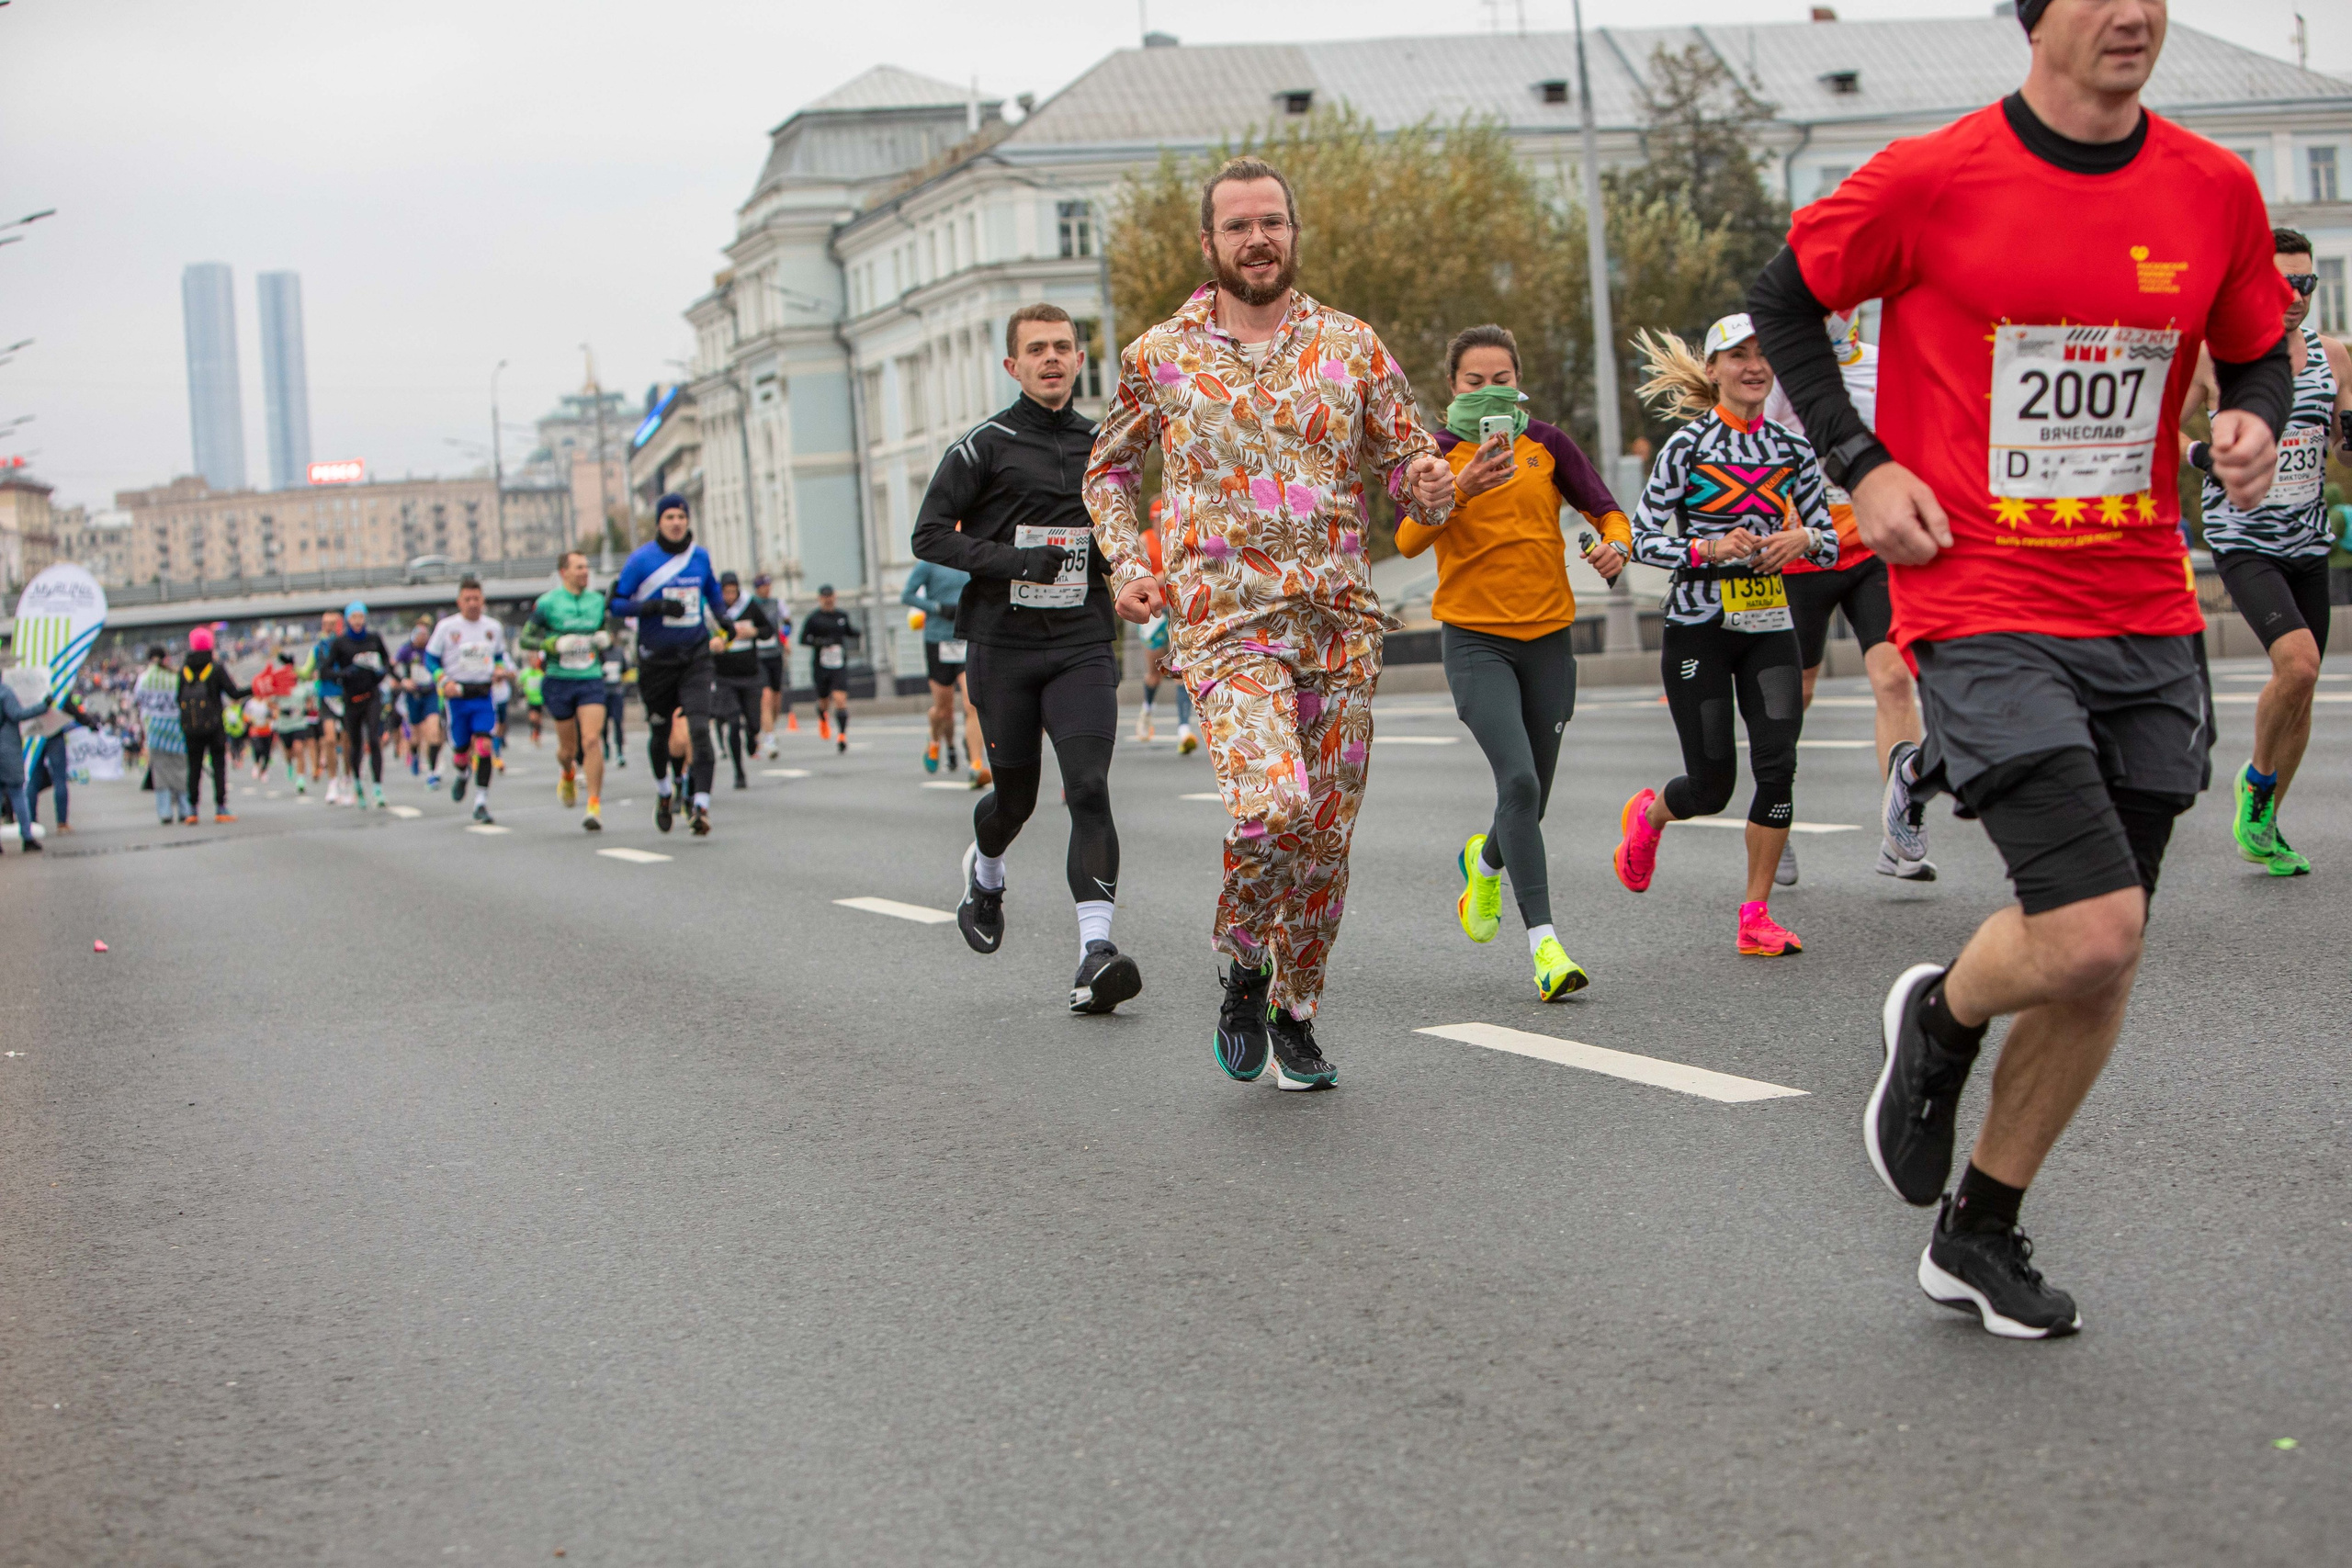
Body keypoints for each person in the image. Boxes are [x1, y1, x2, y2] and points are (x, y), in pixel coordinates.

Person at [1749, 0, 2290, 1337]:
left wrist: (2250, 416)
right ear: (2037, 17)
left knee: (2105, 961)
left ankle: (1976, 1229)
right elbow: (1784, 301)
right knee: (2095, 919)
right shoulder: (1933, 179)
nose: (2136, 15)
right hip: (1981, 593)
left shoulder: (2213, 187)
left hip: (2146, 605)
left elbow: (2264, 343)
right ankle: (1938, 1014)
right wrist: (1861, 465)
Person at [1086, 158, 1458, 1083]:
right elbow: (1108, 472)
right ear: (1208, 244)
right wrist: (1132, 567)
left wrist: (1426, 478)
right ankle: (1244, 962)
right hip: (1225, 625)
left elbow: (1406, 453)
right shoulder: (1158, 356)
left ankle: (1296, 1012)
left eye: (1272, 223)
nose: (1258, 239)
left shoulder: (1352, 345)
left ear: (1293, 233)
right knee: (1272, 810)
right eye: (1238, 226)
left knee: (1325, 842)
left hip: (1337, 625)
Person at [913, 303, 1143, 1017]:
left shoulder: (1105, 446)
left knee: (1089, 789)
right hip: (1003, 648)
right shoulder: (984, 445)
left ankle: (1094, 953)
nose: (1051, 358)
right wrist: (1016, 560)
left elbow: (1117, 533)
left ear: (1080, 362)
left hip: (1080, 643)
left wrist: (1128, 576)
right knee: (1015, 800)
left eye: (1064, 348)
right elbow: (928, 536)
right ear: (1012, 366)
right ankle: (985, 872)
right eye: (1036, 349)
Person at [1397, 322, 1632, 1000]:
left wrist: (1616, 545)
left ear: (1518, 381)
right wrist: (1459, 486)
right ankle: (1547, 948)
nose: (1490, 390)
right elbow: (1409, 538)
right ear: (1453, 388)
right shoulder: (1435, 455)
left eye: (1502, 378)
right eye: (1476, 381)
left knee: (1530, 798)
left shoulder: (1548, 445)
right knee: (1520, 783)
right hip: (1477, 644)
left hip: (1550, 640)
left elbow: (1607, 510)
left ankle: (1485, 858)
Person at [1612, 316, 1838, 956]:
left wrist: (1802, 539)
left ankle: (1755, 915)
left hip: (1770, 627)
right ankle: (1651, 815)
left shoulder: (1793, 451)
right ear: (1713, 371)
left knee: (1779, 766)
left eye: (1763, 354)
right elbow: (1640, 538)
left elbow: (1831, 541)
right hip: (1698, 630)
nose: (1754, 365)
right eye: (1738, 355)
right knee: (1712, 787)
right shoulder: (1686, 447)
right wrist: (1708, 546)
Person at [2179, 227, 2352, 876]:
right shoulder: (2216, 355)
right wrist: (2202, 456)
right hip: (2244, 540)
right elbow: (2158, 428)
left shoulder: (2334, 356)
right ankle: (2255, 783)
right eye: (2283, 283)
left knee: (2303, 689)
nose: (2296, 295)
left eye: (2306, 283)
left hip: (2308, 542)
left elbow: (2341, 442)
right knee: (2300, 664)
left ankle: (2266, 818)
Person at [1762, 314, 1936, 886]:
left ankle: (1901, 827)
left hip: (1868, 548)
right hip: (1800, 555)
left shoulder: (1886, 365)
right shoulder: (1787, 369)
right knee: (1799, 692)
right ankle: (1774, 819)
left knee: (1893, 678)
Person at [609, 493, 729, 836]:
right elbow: (617, 606)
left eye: (681, 516)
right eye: (669, 517)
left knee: (698, 730)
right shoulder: (641, 560)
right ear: (659, 522)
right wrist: (654, 607)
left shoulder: (700, 558)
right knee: (661, 735)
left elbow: (713, 594)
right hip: (656, 662)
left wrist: (724, 620)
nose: (676, 522)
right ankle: (665, 792)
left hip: (694, 657)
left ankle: (701, 805)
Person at [519, 549, 615, 830]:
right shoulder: (547, 604)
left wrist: (603, 638)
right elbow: (526, 639)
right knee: (568, 749)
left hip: (590, 678)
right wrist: (551, 645)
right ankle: (567, 771)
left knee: (592, 740)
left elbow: (604, 630)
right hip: (559, 679)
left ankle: (594, 806)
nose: (585, 572)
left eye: (587, 567)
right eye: (579, 567)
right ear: (564, 572)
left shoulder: (597, 602)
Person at [425, 579, 513, 825]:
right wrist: (443, 681)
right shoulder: (447, 627)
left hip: (483, 695)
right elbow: (430, 660)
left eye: (477, 599)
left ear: (483, 600)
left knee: (485, 746)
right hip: (457, 697)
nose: (473, 604)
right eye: (468, 599)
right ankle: (463, 773)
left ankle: (481, 802)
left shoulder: (493, 628)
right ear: (459, 602)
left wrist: (499, 670)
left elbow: (498, 657)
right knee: (461, 751)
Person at [899, 557, 977, 774]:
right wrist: (937, 608)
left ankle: (975, 761)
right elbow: (907, 595)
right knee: (944, 710)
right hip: (937, 640)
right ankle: (935, 740)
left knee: (972, 703)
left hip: (965, 639)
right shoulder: (928, 564)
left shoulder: (968, 559)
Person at [1134, 501, 1199, 755]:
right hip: (1153, 609)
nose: (1163, 522)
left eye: (1166, 516)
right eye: (1159, 518)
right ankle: (1147, 709)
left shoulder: (1180, 538)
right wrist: (1162, 577)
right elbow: (1139, 576)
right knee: (1154, 672)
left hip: (1177, 607)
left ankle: (1184, 730)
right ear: (1153, 520)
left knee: (1180, 669)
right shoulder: (1145, 540)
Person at [709, 570, 776, 790]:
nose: (729, 596)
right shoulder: (715, 610)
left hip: (749, 673)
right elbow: (704, 636)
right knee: (733, 721)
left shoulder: (749, 605)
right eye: (725, 592)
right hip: (725, 676)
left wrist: (754, 631)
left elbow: (768, 630)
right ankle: (739, 771)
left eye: (733, 591)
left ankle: (753, 736)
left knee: (754, 721)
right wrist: (715, 643)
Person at [323, 600, 393, 809]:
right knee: (355, 744)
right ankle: (356, 782)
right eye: (353, 617)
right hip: (351, 699)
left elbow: (387, 661)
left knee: (373, 739)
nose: (357, 621)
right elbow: (325, 671)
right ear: (347, 620)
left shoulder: (374, 638)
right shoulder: (340, 643)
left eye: (360, 617)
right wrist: (343, 674)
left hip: (371, 696)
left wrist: (383, 672)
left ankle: (378, 787)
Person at [177, 626, 248, 823]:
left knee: (194, 767)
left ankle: (192, 810)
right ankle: (221, 807)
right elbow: (233, 693)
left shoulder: (184, 671)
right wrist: (253, 689)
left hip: (191, 728)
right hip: (214, 725)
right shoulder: (215, 668)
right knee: (218, 765)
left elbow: (178, 698)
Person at [799, 585, 860, 753]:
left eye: (830, 596)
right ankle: (822, 715)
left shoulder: (841, 616)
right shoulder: (814, 618)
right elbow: (803, 639)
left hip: (838, 664)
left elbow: (848, 631)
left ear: (835, 597)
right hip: (821, 665)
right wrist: (819, 642)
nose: (828, 599)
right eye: (825, 596)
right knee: (824, 700)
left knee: (840, 699)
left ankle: (842, 735)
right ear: (820, 598)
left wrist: (857, 633)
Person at [135, 647, 192, 825]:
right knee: (181, 771)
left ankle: (165, 812)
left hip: (155, 731)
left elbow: (137, 701)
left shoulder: (144, 678)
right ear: (165, 658)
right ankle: (185, 809)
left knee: (160, 774)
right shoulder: (175, 677)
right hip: (177, 730)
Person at [0, 674, 51, 852]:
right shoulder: (5, 693)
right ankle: (27, 837)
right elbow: (17, 714)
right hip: (8, 751)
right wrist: (42, 707)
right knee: (17, 794)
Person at [391, 616, 444, 786]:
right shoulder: (407, 650)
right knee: (415, 736)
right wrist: (402, 681)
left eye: (425, 634)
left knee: (433, 731)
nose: (422, 638)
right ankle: (414, 754)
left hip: (431, 693)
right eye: (419, 634)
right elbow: (391, 665)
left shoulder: (433, 649)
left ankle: (432, 771)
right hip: (413, 696)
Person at [752, 571, 793, 753]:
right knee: (765, 696)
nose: (767, 589)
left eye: (768, 586)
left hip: (775, 654)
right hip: (758, 656)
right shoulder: (751, 605)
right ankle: (769, 735)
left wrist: (785, 639)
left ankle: (770, 727)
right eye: (763, 586)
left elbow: (787, 624)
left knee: (776, 699)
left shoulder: (777, 604)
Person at [310, 610, 348, 805]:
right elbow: (307, 670)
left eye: (332, 623)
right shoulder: (318, 648)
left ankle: (348, 779)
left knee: (348, 741)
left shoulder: (346, 644)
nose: (328, 627)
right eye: (325, 623)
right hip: (326, 697)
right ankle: (332, 782)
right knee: (330, 740)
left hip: (346, 695)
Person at [520, 657, 546, 747]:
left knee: (538, 719)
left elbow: (545, 685)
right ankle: (533, 732)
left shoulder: (540, 673)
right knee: (532, 717)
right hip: (530, 699)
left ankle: (537, 733)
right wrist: (524, 691)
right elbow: (520, 682)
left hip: (539, 699)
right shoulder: (526, 673)